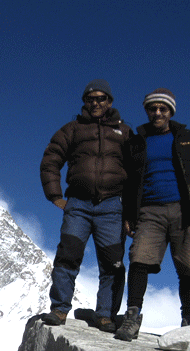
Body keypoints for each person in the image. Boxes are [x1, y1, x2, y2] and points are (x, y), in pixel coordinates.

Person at [114, 88, 190, 342]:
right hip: (149, 210)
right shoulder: (137, 141)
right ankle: (132, 315)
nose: (157, 113)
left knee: (188, 265)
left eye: (163, 109)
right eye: (152, 108)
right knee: (139, 258)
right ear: (147, 111)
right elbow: (129, 181)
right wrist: (128, 215)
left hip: (184, 209)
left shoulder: (185, 138)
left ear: (171, 112)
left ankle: (189, 320)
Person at [39, 79, 132, 331]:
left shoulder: (124, 132)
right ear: (84, 102)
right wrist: (55, 196)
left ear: (109, 102)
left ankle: (105, 315)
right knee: (67, 256)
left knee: (113, 263)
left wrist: (131, 212)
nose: (96, 103)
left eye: (101, 98)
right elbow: (51, 159)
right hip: (78, 204)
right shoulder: (72, 129)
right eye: (91, 99)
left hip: (112, 207)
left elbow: (136, 172)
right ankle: (59, 310)